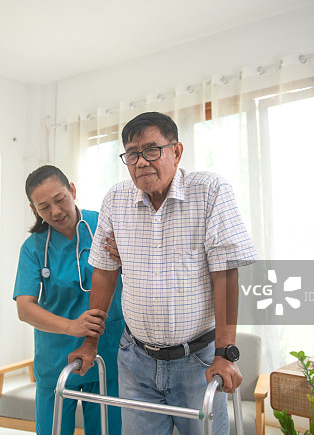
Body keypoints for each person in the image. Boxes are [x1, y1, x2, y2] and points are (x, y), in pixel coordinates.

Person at [69, 112, 257, 435]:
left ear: (176, 151)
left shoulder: (210, 191)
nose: (141, 161)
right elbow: (104, 273)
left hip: (198, 361)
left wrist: (225, 353)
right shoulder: (115, 200)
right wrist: (90, 343)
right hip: (135, 360)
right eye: (132, 154)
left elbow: (225, 273)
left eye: (152, 150)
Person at [14, 165, 124, 435]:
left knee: (107, 430)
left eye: (60, 199)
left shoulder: (105, 226)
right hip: (56, 359)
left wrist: (126, 259)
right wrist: (71, 326)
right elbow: (25, 308)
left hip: (107, 353)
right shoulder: (33, 247)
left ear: (72, 190)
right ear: (34, 210)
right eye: (44, 207)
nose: (55, 211)